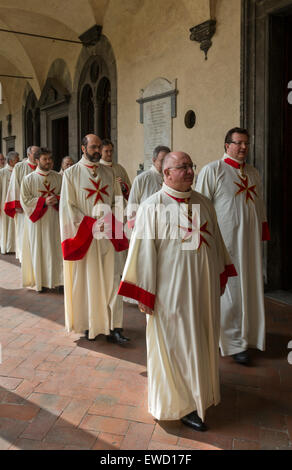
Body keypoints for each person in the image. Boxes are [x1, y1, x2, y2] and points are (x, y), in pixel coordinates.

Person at [118, 151, 236, 431]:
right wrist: (146, 295)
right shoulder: (151, 206)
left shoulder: (204, 203)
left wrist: (219, 276)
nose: (190, 171)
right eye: (182, 167)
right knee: (174, 347)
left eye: (190, 166)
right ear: (166, 173)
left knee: (200, 341)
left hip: (203, 292)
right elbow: (143, 253)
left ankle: (200, 394)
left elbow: (216, 243)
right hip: (171, 295)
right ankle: (178, 405)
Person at [196, 127, 270, 365]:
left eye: (246, 143)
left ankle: (249, 335)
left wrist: (262, 230)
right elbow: (199, 208)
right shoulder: (213, 170)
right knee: (231, 293)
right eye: (238, 143)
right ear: (226, 145)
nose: (243, 147)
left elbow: (259, 206)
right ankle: (232, 342)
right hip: (225, 244)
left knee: (250, 288)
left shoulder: (253, 173)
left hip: (249, 244)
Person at [59, 134, 130, 344]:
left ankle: (115, 326)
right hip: (86, 237)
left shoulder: (109, 172)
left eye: (99, 147)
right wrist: (90, 224)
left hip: (107, 234)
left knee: (112, 280)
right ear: (83, 148)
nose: (97, 150)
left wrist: (111, 220)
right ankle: (91, 324)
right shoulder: (71, 174)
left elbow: (118, 200)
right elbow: (68, 206)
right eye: (93, 147)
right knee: (90, 281)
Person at [20, 148, 63, 292]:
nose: (49, 161)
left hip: (55, 220)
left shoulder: (58, 177)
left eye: (50, 159)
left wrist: (56, 199)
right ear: (37, 161)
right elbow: (25, 200)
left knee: (57, 250)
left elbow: (67, 196)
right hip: (38, 223)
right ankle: (41, 282)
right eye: (45, 159)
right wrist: (43, 202)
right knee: (39, 250)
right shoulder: (29, 179)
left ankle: (59, 281)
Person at [4, 146, 40, 262]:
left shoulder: (42, 165)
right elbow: (14, 185)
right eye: (35, 153)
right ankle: (23, 255)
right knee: (23, 231)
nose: (37, 155)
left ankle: (36, 254)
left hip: (39, 205)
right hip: (23, 207)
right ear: (29, 154)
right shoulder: (20, 167)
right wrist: (17, 204)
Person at [127, 145, 170, 227]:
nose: (166, 164)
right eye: (162, 161)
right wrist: (134, 229)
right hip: (146, 225)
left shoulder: (172, 179)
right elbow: (132, 204)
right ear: (154, 160)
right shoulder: (142, 179)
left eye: (168, 161)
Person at [0, 152, 19, 254]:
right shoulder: (2, 172)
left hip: (16, 204)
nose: (19, 160)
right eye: (17, 159)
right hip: (4, 203)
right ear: (11, 161)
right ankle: (6, 247)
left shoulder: (18, 171)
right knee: (5, 226)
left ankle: (15, 247)